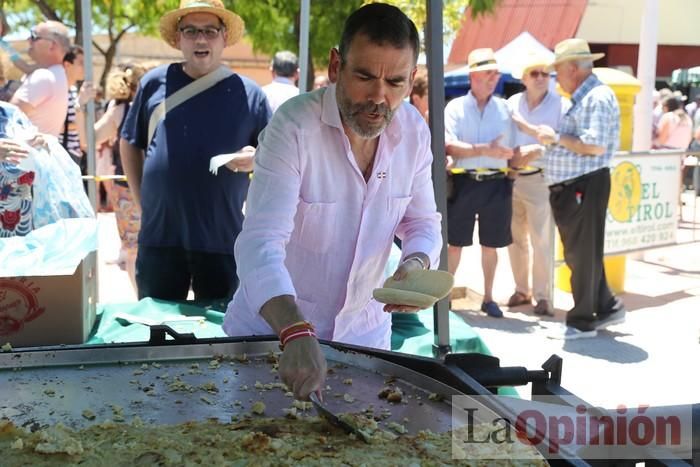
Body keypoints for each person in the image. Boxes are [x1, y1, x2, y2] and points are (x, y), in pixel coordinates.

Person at [223, 3, 442, 400]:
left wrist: (416, 264)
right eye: (364, 76)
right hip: (270, 337)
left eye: (395, 82)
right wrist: (294, 330)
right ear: (336, 66)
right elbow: (260, 243)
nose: (379, 97)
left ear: (411, 80)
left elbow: (423, 223)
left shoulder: (414, 132)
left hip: (365, 340)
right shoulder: (293, 126)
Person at [120, 0, 271, 303]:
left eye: (210, 31)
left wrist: (254, 158)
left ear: (224, 38)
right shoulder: (152, 84)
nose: (201, 39)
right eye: (191, 31)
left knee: (221, 338)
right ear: (178, 38)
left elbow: (274, 156)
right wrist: (141, 202)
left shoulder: (250, 94)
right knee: (156, 334)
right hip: (160, 237)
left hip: (221, 238)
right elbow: (129, 142)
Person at [536, 38, 626, 340]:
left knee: (581, 254)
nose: (555, 77)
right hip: (580, 184)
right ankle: (606, 305)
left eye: (557, 71)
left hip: (584, 183)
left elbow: (594, 144)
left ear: (573, 68)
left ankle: (582, 321)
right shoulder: (588, 96)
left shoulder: (595, 97)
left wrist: (555, 138)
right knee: (584, 253)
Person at [444, 47, 515, 318]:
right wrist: (486, 149)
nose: (493, 78)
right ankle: (446, 299)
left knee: (492, 245)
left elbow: (514, 148)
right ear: (473, 75)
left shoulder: (505, 108)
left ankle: (488, 298)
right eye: (488, 73)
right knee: (454, 244)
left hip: (497, 184)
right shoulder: (455, 107)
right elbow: (450, 145)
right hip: (464, 183)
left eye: (495, 73)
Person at [505, 51, 570, 317]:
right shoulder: (511, 103)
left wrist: (536, 151)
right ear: (524, 78)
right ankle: (522, 290)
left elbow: (565, 142)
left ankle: (543, 296)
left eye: (546, 73)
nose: (542, 78)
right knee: (514, 238)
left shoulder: (561, 105)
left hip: (541, 178)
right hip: (511, 178)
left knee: (541, 240)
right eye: (536, 73)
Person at [95, 63, 148, 291]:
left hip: (126, 185)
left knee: (133, 247)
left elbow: (92, 137)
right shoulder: (154, 106)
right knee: (142, 246)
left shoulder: (119, 110)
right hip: (150, 185)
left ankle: (142, 298)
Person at [10, 21, 70, 136]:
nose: (29, 40)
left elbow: (6, 117)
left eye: (34, 37)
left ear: (52, 45)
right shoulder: (58, 74)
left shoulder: (44, 76)